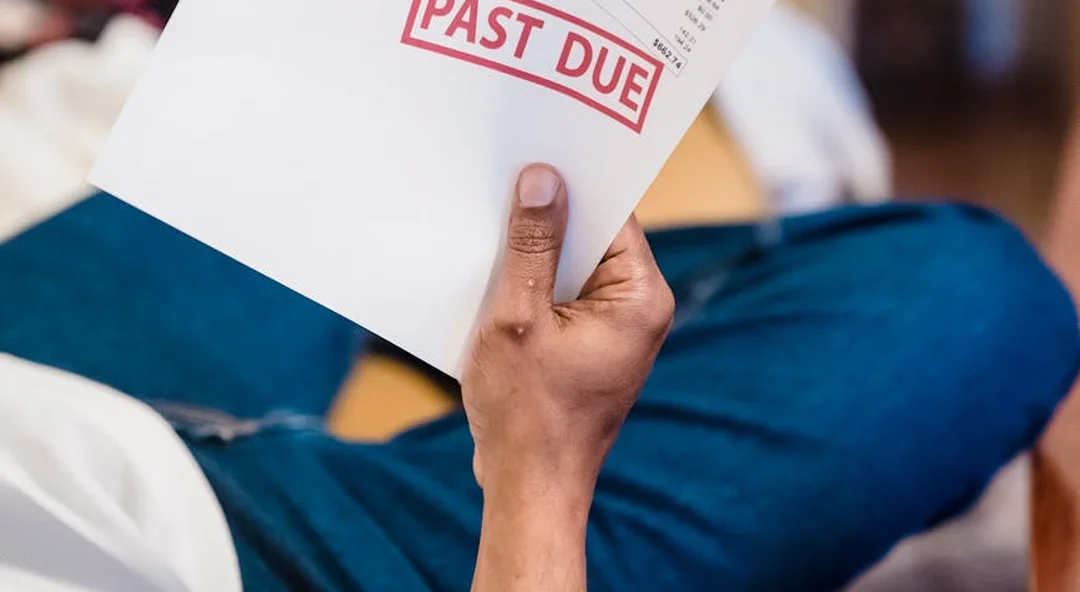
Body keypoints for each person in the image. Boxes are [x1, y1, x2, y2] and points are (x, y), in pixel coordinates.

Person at [0, 164, 1077, 590]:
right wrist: (540, 479)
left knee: (350, 108)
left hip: (38, 407)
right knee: (972, 298)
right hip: (244, 558)